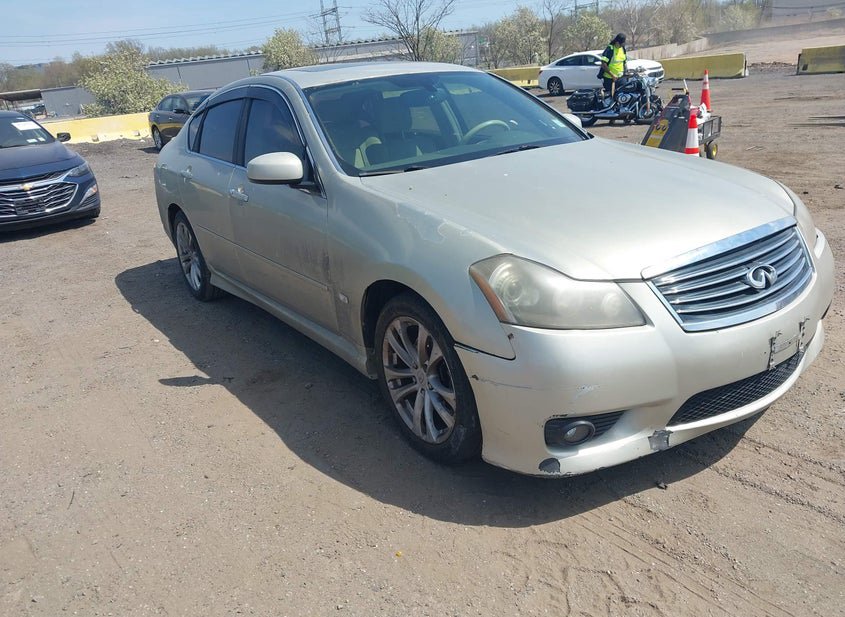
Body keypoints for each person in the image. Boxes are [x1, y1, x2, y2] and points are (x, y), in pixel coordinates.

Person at [600, 33, 628, 99]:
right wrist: (612, 75)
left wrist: (626, 72)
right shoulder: (610, 49)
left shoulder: (623, 49)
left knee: (622, 97)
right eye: (621, 44)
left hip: (621, 78)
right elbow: (603, 64)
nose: (622, 45)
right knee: (610, 98)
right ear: (617, 42)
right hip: (610, 79)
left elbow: (624, 62)